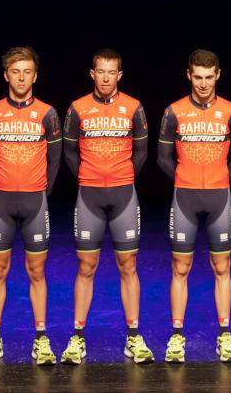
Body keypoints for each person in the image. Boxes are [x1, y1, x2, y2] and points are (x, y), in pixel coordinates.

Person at [59, 49, 154, 365]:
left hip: (124, 195)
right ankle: (78, 337)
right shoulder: (77, 108)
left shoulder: (134, 107)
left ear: (119, 76)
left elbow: (141, 153)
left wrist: (121, 177)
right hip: (89, 197)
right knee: (86, 267)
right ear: (92, 73)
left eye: (111, 72)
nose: (105, 77)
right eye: (100, 71)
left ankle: (133, 337)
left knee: (128, 266)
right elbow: (70, 153)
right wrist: (89, 177)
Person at [157, 49, 231, 363]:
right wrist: (185, 179)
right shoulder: (174, 112)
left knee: (222, 268)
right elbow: (163, 159)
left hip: (220, 198)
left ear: (218, 75)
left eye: (209, 77)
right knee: (180, 269)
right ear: (189, 75)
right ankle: (177, 336)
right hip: (185, 199)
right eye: (198, 77)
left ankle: (225, 335)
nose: (204, 83)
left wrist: (220, 179)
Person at [0, 46, 62, 365]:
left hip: (35, 202)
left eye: (28, 71)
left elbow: (54, 161)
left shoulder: (47, 113)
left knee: (36, 271)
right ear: (6, 75)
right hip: (0, 200)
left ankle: (41, 339)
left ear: (36, 75)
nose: (22, 77)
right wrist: (0, 187)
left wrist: (40, 192)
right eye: (16, 71)